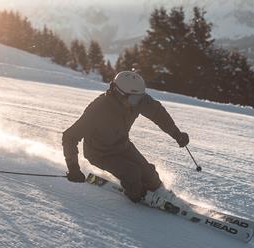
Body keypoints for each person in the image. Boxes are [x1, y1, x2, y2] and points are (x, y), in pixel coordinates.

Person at [62, 71, 190, 204]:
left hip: (123, 146)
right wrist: (73, 168)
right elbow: (70, 137)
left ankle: (159, 191)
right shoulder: (98, 108)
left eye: (140, 97)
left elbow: (158, 114)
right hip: (100, 153)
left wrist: (176, 134)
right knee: (132, 173)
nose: (137, 102)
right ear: (118, 93)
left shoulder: (137, 100)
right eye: (134, 99)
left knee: (150, 174)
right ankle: (139, 195)